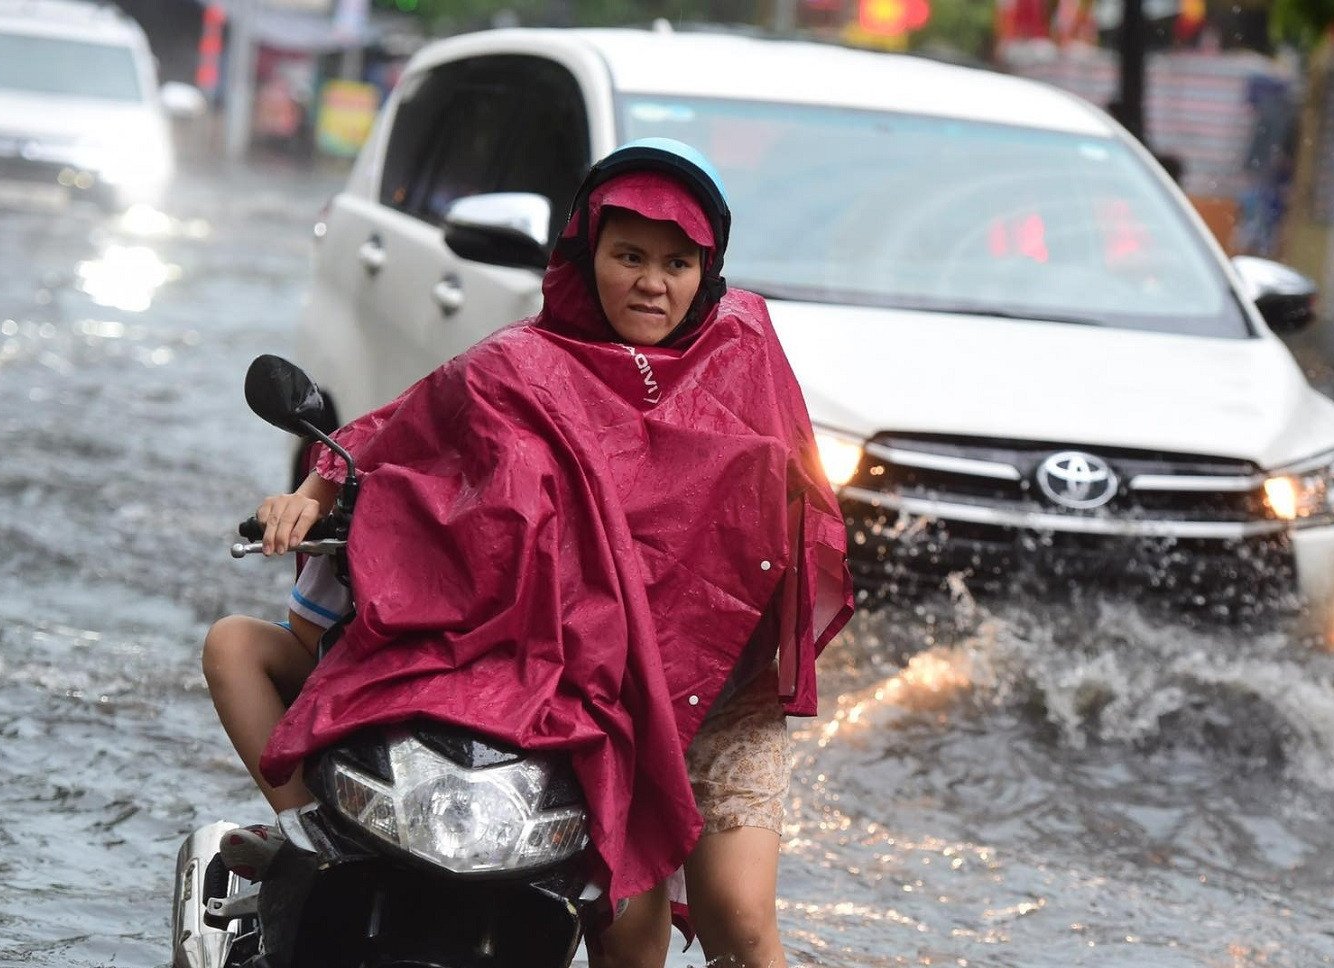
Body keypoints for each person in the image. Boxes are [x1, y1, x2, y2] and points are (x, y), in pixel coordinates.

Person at [201, 138, 855, 968]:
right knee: (622, 923)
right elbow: (392, 433)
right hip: (588, 690)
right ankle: (315, 844)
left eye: (677, 262)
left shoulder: (748, 356)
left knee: (744, 925)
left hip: (720, 689)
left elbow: (794, 512)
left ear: (708, 271)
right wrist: (307, 498)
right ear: (587, 256)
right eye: (628, 256)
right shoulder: (517, 362)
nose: (652, 283)